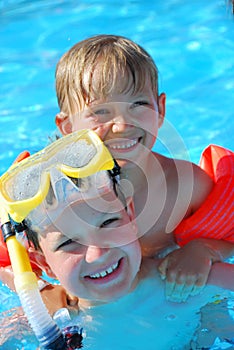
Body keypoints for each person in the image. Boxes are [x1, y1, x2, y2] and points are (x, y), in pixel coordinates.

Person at [0, 131, 233, 349]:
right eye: (68, 242)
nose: (98, 253)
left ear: (130, 215)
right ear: (43, 263)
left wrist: (207, 252)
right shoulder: (43, 317)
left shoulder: (192, 282)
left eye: (107, 223)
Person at [54, 34, 234, 302]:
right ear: (68, 128)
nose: (123, 125)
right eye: (101, 111)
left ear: (160, 110)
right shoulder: (54, 196)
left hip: (171, 293)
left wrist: (203, 249)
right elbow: (15, 262)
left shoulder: (186, 187)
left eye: (138, 105)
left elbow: (229, 238)